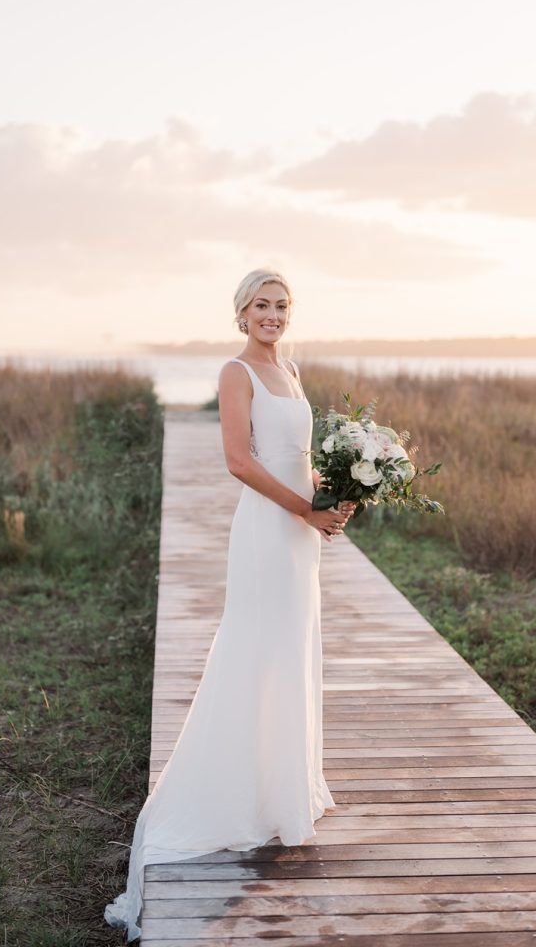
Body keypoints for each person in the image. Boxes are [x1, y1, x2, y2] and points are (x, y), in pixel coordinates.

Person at [104, 269, 355, 940]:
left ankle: (284, 787)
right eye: (261, 306)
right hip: (268, 534)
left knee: (292, 649)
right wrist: (306, 511)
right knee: (256, 648)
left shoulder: (294, 370)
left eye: (281, 305)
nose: (272, 315)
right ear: (241, 314)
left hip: (302, 534)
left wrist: (337, 495)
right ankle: (234, 794)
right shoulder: (235, 371)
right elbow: (240, 462)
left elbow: (298, 455)